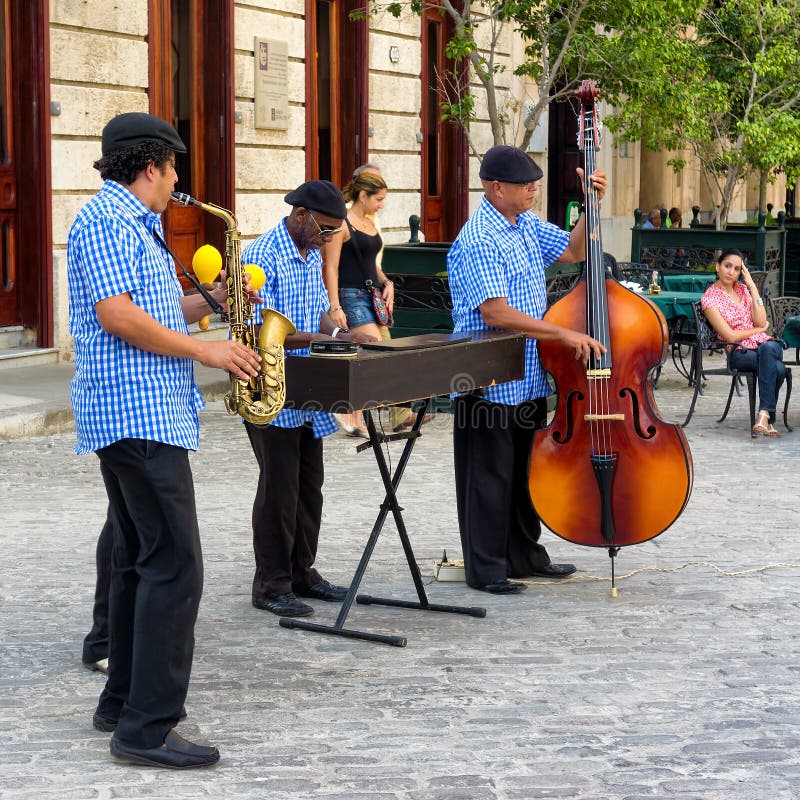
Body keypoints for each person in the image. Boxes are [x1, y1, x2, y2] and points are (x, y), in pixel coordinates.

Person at [68, 112, 263, 768]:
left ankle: (121, 704)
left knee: (136, 558)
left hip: (146, 412)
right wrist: (207, 354)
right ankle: (147, 730)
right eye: (174, 167)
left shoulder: (136, 226)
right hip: (133, 413)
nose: (178, 179)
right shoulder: (102, 222)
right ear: (149, 167)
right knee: (175, 565)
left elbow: (150, 311)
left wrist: (210, 301)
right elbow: (116, 315)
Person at [447, 144, 606, 595]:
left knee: (523, 472)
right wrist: (562, 334)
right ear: (496, 188)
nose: (534, 190)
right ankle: (487, 568)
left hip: (528, 373)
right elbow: (496, 313)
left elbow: (575, 252)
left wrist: (590, 203)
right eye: (525, 185)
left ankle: (525, 556)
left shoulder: (525, 224)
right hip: (488, 374)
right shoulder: (480, 237)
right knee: (489, 475)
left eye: (535, 183)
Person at [240, 180, 376, 617]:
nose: (330, 238)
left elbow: (316, 310)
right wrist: (318, 337)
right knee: (279, 490)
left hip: (304, 389)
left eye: (336, 231)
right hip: (269, 386)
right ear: (301, 216)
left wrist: (340, 333)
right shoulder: (262, 255)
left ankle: (302, 571)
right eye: (326, 229)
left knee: (308, 486)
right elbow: (261, 329)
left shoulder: (308, 251)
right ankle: (271, 583)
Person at [323, 165, 428, 437]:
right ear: (362, 196)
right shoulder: (341, 224)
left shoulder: (369, 223)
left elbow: (370, 263)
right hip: (350, 296)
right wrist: (334, 307)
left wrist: (388, 282)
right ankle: (349, 413)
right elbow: (331, 267)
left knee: (384, 355)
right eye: (379, 199)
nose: (382, 205)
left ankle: (371, 416)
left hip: (373, 297)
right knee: (370, 353)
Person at [701, 248, 787, 437]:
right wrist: (758, 330)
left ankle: (763, 415)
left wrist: (752, 287)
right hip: (740, 352)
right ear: (718, 266)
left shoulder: (742, 289)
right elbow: (731, 336)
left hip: (763, 347)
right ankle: (768, 417)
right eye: (727, 266)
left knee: (770, 346)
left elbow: (761, 318)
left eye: (737, 269)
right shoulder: (709, 298)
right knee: (778, 369)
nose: (731, 272)